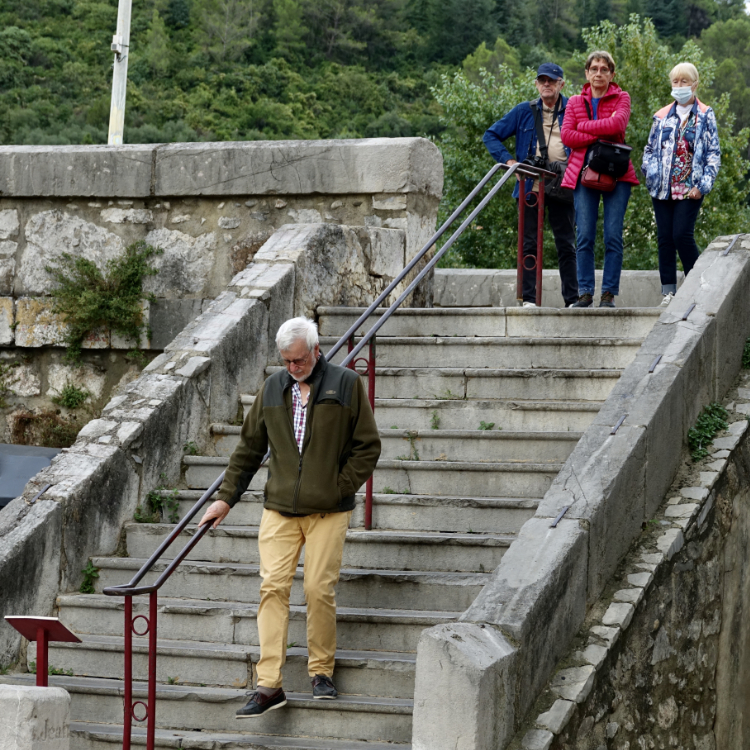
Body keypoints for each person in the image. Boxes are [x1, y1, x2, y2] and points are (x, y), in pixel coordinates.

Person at [199, 317, 381, 718]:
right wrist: (225, 499)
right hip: (279, 509)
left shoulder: (346, 384)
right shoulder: (272, 388)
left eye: (299, 359)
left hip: (328, 511)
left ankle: (321, 671)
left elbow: (368, 447)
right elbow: (247, 450)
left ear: (316, 350)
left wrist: (339, 486)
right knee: (272, 589)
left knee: (318, 589)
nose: (293, 367)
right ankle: (269, 684)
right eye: (287, 360)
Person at [483, 63, 578, 308]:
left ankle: (572, 300)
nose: (547, 84)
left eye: (552, 80)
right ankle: (528, 299)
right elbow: (490, 135)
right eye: (542, 80)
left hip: (563, 184)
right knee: (528, 243)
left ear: (561, 84)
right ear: (536, 84)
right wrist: (509, 161)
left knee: (566, 243)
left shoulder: (574, 109)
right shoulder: (523, 111)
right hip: (531, 186)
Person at [560, 50, 639, 308]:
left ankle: (608, 294)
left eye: (604, 69)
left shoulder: (622, 97)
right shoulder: (573, 102)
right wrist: (599, 133)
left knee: (613, 235)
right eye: (594, 68)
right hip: (583, 174)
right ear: (586, 73)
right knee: (584, 236)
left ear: (612, 74)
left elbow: (618, 127)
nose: (598, 73)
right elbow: (567, 137)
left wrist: (583, 128)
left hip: (618, 175)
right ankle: (585, 293)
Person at [641, 62, 720, 306]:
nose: (679, 86)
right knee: (664, 238)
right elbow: (649, 150)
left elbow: (713, 154)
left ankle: (697, 287)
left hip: (690, 190)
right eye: (676, 82)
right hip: (662, 188)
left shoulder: (705, 114)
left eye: (684, 82)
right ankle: (668, 292)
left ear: (694, 85)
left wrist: (703, 185)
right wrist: (651, 175)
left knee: (681, 235)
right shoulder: (661, 115)